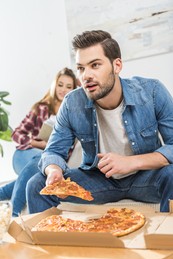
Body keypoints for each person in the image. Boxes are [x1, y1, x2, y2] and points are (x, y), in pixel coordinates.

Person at [26, 30, 173, 214]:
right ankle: (49, 242)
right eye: (81, 68)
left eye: (95, 65)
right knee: (36, 184)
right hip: (99, 179)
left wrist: (131, 162)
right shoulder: (72, 103)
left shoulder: (152, 92)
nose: (86, 75)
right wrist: (53, 170)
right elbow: (54, 150)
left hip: (146, 177)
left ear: (117, 65)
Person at [0, 67, 77, 216]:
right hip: (26, 154)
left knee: (38, 171)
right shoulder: (41, 108)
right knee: (41, 157)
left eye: (69, 86)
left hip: (48, 161)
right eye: (60, 85)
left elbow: (69, 148)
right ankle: (14, 214)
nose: (63, 90)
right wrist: (36, 143)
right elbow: (16, 134)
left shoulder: (72, 114)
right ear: (54, 85)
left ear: (74, 89)